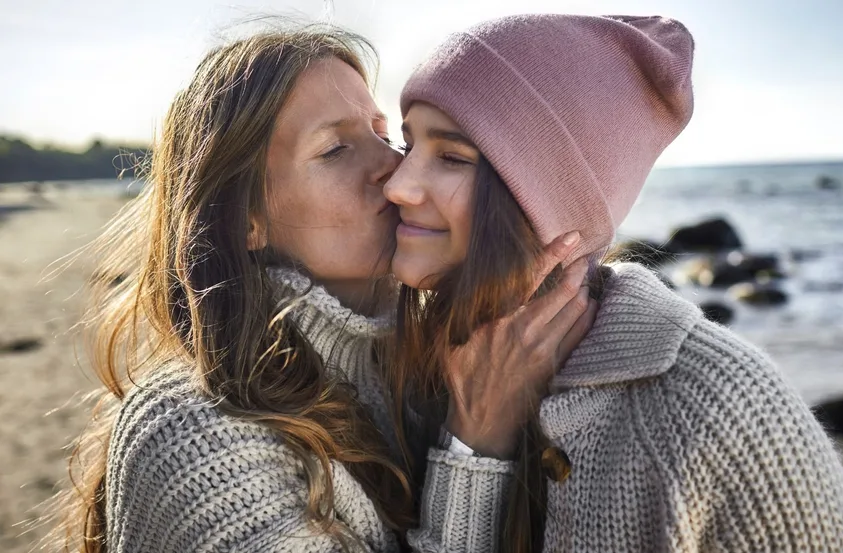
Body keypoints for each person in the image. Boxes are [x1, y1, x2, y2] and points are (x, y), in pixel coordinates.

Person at [52, 24, 594, 553]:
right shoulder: (189, 434)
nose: (395, 168)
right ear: (245, 218)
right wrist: (475, 443)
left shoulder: (428, 373)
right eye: (335, 150)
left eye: (385, 136)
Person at [385, 14, 843, 552]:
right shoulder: (413, 370)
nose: (398, 185)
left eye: (452, 157)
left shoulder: (724, 410)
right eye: (409, 147)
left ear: (551, 204)